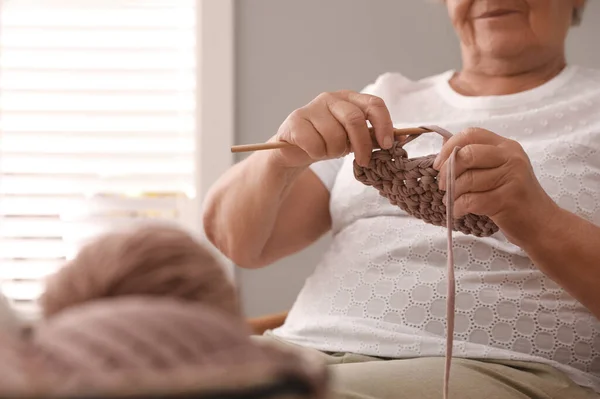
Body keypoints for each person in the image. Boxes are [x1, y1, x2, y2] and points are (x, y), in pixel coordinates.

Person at [203, 0, 600, 398]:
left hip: (495, 372)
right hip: (296, 355)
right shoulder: (384, 98)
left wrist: (539, 220)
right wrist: (281, 158)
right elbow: (238, 241)